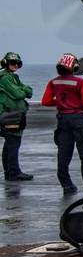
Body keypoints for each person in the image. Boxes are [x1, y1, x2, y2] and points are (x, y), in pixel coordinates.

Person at [40, 54, 83, 195]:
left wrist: (60, 103)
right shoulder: (80, 82)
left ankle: (66, 185)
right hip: (79, 118)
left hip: (63, 119)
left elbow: (46, 101)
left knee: (63, 153)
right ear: (74, 67)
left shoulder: (53, 82)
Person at [0, 52, 33, 181]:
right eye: (12, 63)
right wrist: (23, 91)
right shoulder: (4, 77)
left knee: (10, 144)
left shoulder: (13, 77)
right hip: (10, 115)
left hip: (13, 114)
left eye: (17, 63)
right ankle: (13, 172)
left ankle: (10, 172)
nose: (15, 65)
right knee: (13, 143)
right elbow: (18, 93)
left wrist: (23, 90)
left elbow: (27, 90)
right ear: (5, 64)